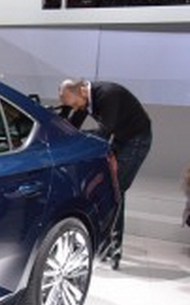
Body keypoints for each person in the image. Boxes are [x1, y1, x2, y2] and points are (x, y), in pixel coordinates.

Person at [59, 78, 152, 268]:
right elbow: (72, 126)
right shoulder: (84, 97)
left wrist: (78, 138)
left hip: (137, 139)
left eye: (74, 104)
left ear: (82, 91)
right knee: (109, 187)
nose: (75, 108)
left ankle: (112, 248)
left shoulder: (109, 95)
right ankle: (107, 245)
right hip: (121, 138)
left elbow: (104, 133)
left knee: (116, 190)